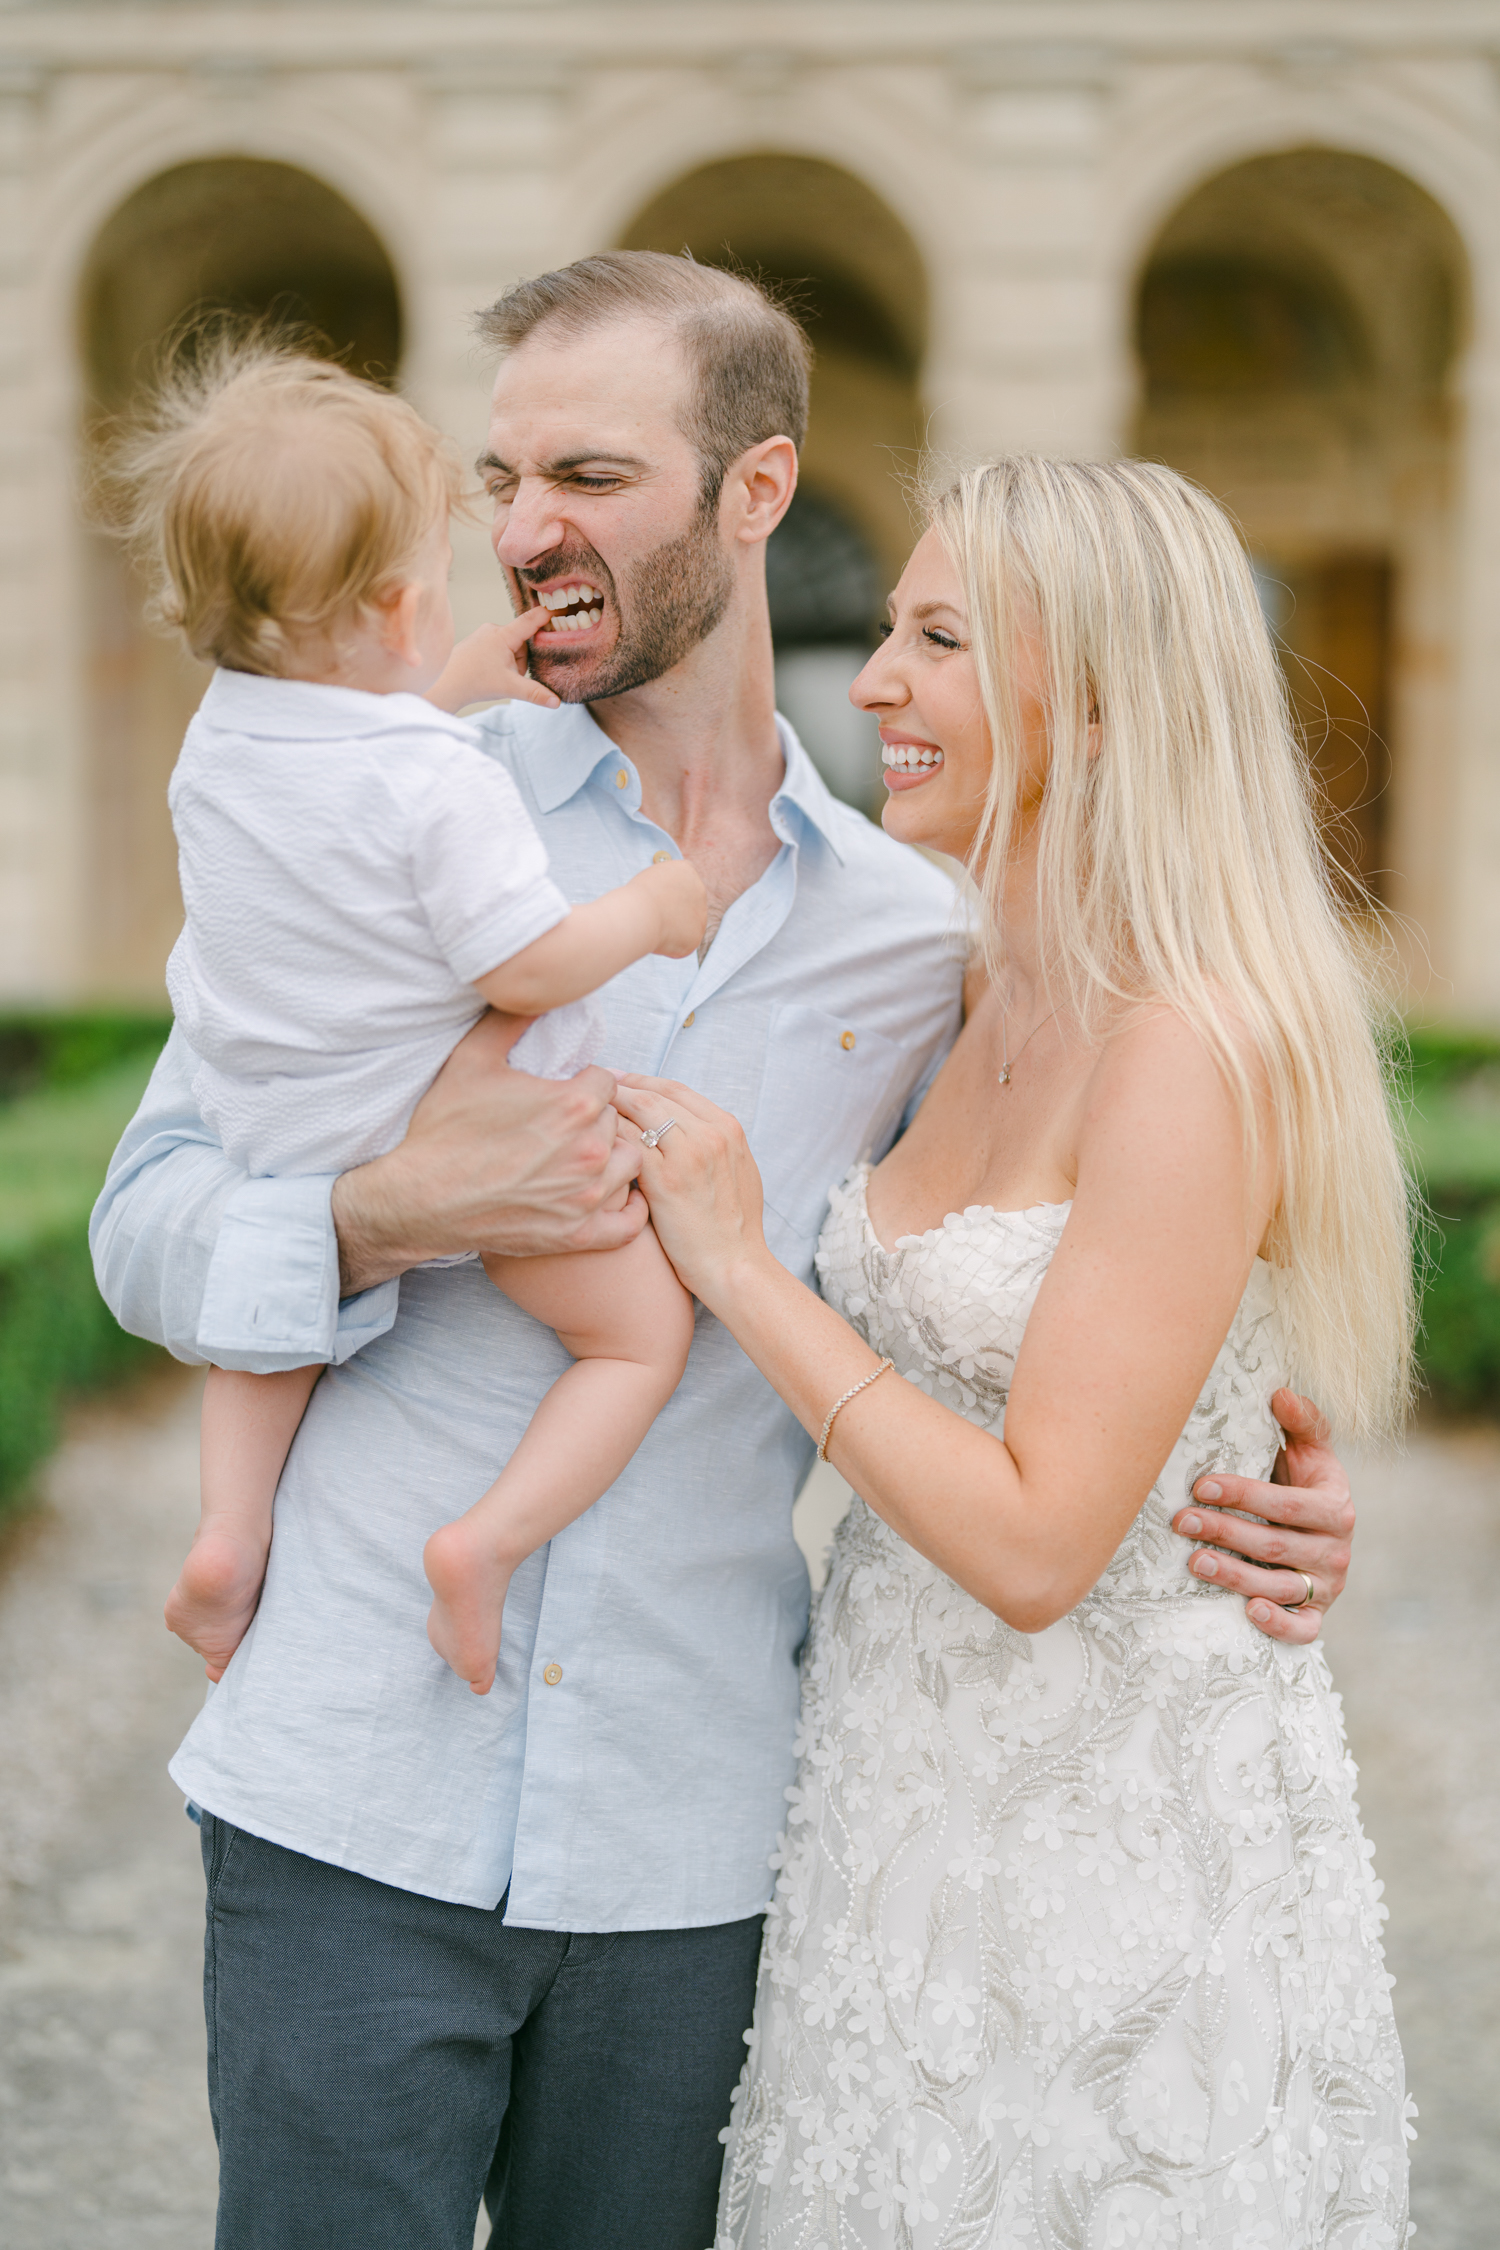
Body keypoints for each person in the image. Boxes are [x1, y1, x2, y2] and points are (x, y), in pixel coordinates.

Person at [90, 256, 1360, 2250]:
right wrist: (382, 1213)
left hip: (703, 1862)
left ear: (756, 491)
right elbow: (146, 1225)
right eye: (503, 475)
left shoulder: (921, 944)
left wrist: (1266, 1471)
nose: (522, 529)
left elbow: (1059, 1251)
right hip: (350, 1799)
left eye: (587, 470)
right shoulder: (385, 812)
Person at [616, 458, 1413, 2247]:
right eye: (891, 629)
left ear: (1110, 700)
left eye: (938, 639)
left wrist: (752, 1277)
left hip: (1114, 1851)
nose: (874, 680)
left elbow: (1048, 1541)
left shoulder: (1186, 1050)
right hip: (890, 1801)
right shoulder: (963, 986)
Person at [116, 340, 707, 1697]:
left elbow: (352, 761)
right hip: (435, 1108)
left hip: (279, 1119)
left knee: (273, 1324)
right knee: (635, 1336)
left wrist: (444, 685)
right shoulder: (442, 784)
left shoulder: (225, 738)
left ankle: (225, 1537)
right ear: (396, 607)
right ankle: (487, 1545)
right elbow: (529, 965)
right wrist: (656, 909)